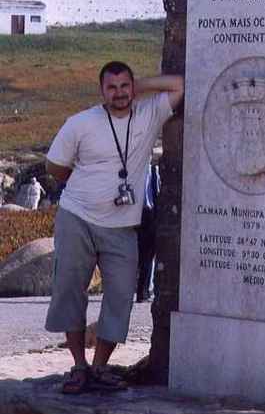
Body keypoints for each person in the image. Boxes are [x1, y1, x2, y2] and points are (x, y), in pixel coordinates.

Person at [45, 61, 183, 394]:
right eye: (112, 87)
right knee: (70, 288)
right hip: (77, 216)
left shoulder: (148, 113)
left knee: (120, 295)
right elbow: (54, 166)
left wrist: (142, 84)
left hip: (122, 224)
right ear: (101, 91)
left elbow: (179, 84)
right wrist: (86, 187)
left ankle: (100, 366)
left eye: (125, 86)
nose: (119, 94)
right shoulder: (80, 123)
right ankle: (78, 366)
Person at [136, 161, 160, 302]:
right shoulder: (135, 170)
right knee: (142, 257)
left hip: (150, 216)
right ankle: (142, 291)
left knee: (148, 256)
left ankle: (144, 290)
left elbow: (158, 192)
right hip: (138, 216)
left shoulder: (153, 171)